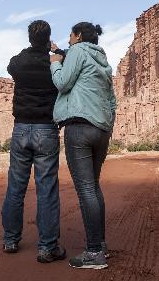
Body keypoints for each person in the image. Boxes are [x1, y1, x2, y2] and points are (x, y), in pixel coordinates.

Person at [50, 21, 116, 270]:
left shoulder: (77, 51)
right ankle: (100, 245)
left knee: (86, 190)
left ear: (77, 36)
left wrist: (55, 64)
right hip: (101, 130)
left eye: (70, 35)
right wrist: (108, 128)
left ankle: (94, 252)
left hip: (79, 127)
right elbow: (112, 102)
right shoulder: (103, 62)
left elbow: (63, 83)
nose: (68, 39)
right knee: (94, 189)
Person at [1, 20, 66, 263]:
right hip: (46, 129)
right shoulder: (53, 62)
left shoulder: (19, 62)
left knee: (15, 187)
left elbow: (11, 64)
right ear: (49, 38)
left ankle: (10, 239)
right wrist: (53, 50)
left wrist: (35, 47)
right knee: (46, 189)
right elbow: (64, 60)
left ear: (29, 38)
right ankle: (47, 247)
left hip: (20, 130)